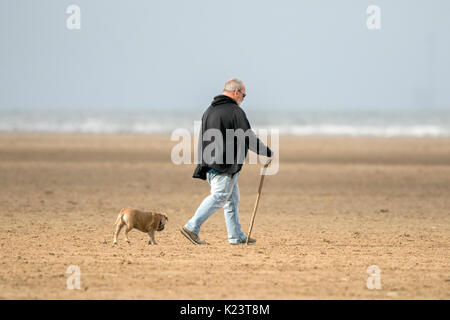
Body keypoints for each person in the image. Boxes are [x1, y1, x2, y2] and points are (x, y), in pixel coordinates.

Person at [180, 78, 273, 245]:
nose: (243, 99)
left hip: (209, 163)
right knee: (220, 196)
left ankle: (236, 236)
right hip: (223, 166)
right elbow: (247, 137)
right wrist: (266, 152)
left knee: (232, 199)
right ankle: (191, 227)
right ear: (236, 92)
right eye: (244, 95)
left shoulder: (210, 110)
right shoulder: (234, 111)